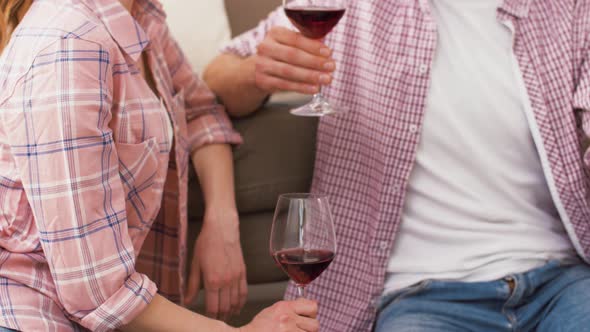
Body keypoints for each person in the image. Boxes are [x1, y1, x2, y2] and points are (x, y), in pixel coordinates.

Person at [205, 0, 590, 331]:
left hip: (560, 281)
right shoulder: (354, 8)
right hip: (424, 295)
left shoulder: (568, 10)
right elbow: (219, 76)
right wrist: (256, 74)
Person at [0, 0, 320, 331]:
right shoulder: (69, 47)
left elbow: (199, 110)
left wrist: (221, 220)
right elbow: (98, 292)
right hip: (33, 317)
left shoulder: (138, 16)